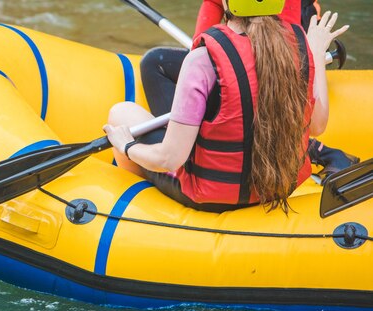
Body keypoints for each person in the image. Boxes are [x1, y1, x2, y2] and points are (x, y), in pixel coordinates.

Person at [103, 0, 349, 213]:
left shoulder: (201, 59)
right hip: (276, 188)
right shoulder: (298, 43)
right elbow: (317, 125)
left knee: (120, 114)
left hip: (213, 195)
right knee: (155, 66)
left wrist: (127, 146)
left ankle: (142, 210)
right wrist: (315, 50)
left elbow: (170, 159)